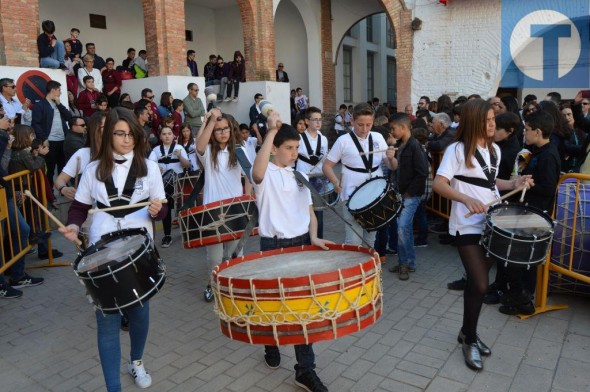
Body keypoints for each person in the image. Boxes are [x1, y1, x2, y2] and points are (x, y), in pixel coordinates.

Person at [59, 107, 166, 392]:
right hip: (101, 250)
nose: (127, 140)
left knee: (140, 312)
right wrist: (72, 225)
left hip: (139, 249)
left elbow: (162, 208)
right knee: (107, 320)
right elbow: (80, 207)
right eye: (120, 134)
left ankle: (137, 361)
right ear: (108, 136)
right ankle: (113, 388)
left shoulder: (150, 167)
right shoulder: (93, 169)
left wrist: (158, 211)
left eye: (131, 134)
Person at [432, 98, 533, 370]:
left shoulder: (495, 151)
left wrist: (515, 182)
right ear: (476, 121)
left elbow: (491, 183)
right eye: (488, 120)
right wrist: (465, 199)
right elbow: (439, 184)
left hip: (492, 223)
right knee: (479, 284)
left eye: (494, 119)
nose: (493, 124)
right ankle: (469, 339)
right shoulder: (457, 150)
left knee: (478, 285)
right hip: (466, 224)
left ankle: (468, 333)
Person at [251, 111, 331, 392]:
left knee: (302, 311)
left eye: (297, 148)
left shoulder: (299, 174)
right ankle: (270, 343)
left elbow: (309, 210)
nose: (295, 153)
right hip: (273, 246)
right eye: (289, 148)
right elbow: (257, 172)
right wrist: (271, 130)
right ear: (274, 148)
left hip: (301, 244)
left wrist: (314, 237)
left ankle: (305, 370)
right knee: (273, 306)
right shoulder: (266, 173)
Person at [499, 110, 560, 316]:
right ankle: (516, 295)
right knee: (516, 258)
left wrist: (529, 185)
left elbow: (549, 188)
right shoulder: (532, 150)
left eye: (527, 130)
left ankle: (525, 299)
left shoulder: (550, 155)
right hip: (526, 210)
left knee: (526, 261)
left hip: (536, 214)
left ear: (538, 131)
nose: (525, 133)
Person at [196, 108, 251, 302]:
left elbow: (249, 177)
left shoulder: (239, 150)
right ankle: (213, 283)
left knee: (235, 253)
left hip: (235, 209)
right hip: (212, 211)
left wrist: (247, 201)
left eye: (225, 128)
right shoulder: (209, 151)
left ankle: (235, 285)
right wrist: (211, 120)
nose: (223, 132)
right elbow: (200, 146)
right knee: (214, 257)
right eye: (218, 129)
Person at [323, 103, 396, 246]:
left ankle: (369, 267)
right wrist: (336, 183)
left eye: (369, 125)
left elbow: (392, 166)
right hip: (351, 193)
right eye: (360, 125)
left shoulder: (378, 137)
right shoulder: (343, 140)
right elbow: (327, 166)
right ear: (352, 121)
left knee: (370, 240)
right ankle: (353, 266)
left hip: (375, 194)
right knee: (354, 240)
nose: (364, 129)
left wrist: (392, 158)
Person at [387, 113, 428, 280]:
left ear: (403, 128)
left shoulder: (415, 146)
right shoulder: (401, 145)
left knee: (403, 228)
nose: (391, 131)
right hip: (403, 193)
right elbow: (397, 169)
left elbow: (422, 172)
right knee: (405, 229)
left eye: (393, 128)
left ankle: (405, 263)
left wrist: (409, 192)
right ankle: (408, 262)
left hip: (411, 194)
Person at [149, 126, 190, 247]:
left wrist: (180, 157)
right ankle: (167, 235)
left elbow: (187, 165)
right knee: (166, 210)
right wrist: (157, 169)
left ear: (173, 136)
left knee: (181, 209)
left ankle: (187, 232)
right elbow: (150, 168)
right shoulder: (155, 150)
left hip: (178, 183)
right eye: (164, 134)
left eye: (169, 134)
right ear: (160, 136)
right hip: (162, 185)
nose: (167, 136)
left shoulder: (179, 148)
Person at [55, 111, 105, 200]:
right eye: (106, 127)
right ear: (95, 130)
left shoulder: (123, 152)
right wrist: (64, 188)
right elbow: (60, 180)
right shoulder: (81, 151)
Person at [31, 80, 72, 189]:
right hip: (50, 141)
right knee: (50, 168)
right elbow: (35, 124)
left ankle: (63, 188)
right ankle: (50, 195)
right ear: (53, 90)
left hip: (63, 140)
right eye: (59, 90)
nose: (60, 93)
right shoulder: (40, 105)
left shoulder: (58, 104)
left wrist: (59, 104)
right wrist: (44, 138)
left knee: (63, 167)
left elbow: (69, 117)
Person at [296, 107, 329, 238]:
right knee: (304, 213)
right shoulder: (299, 138)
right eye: (315, 119)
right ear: (307, 121)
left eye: (320, 119)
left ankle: (318, 240)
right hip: (303, 179)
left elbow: (325, 159)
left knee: (319, 214)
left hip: (319, 179)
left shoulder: (324, 139)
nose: (318, 122)